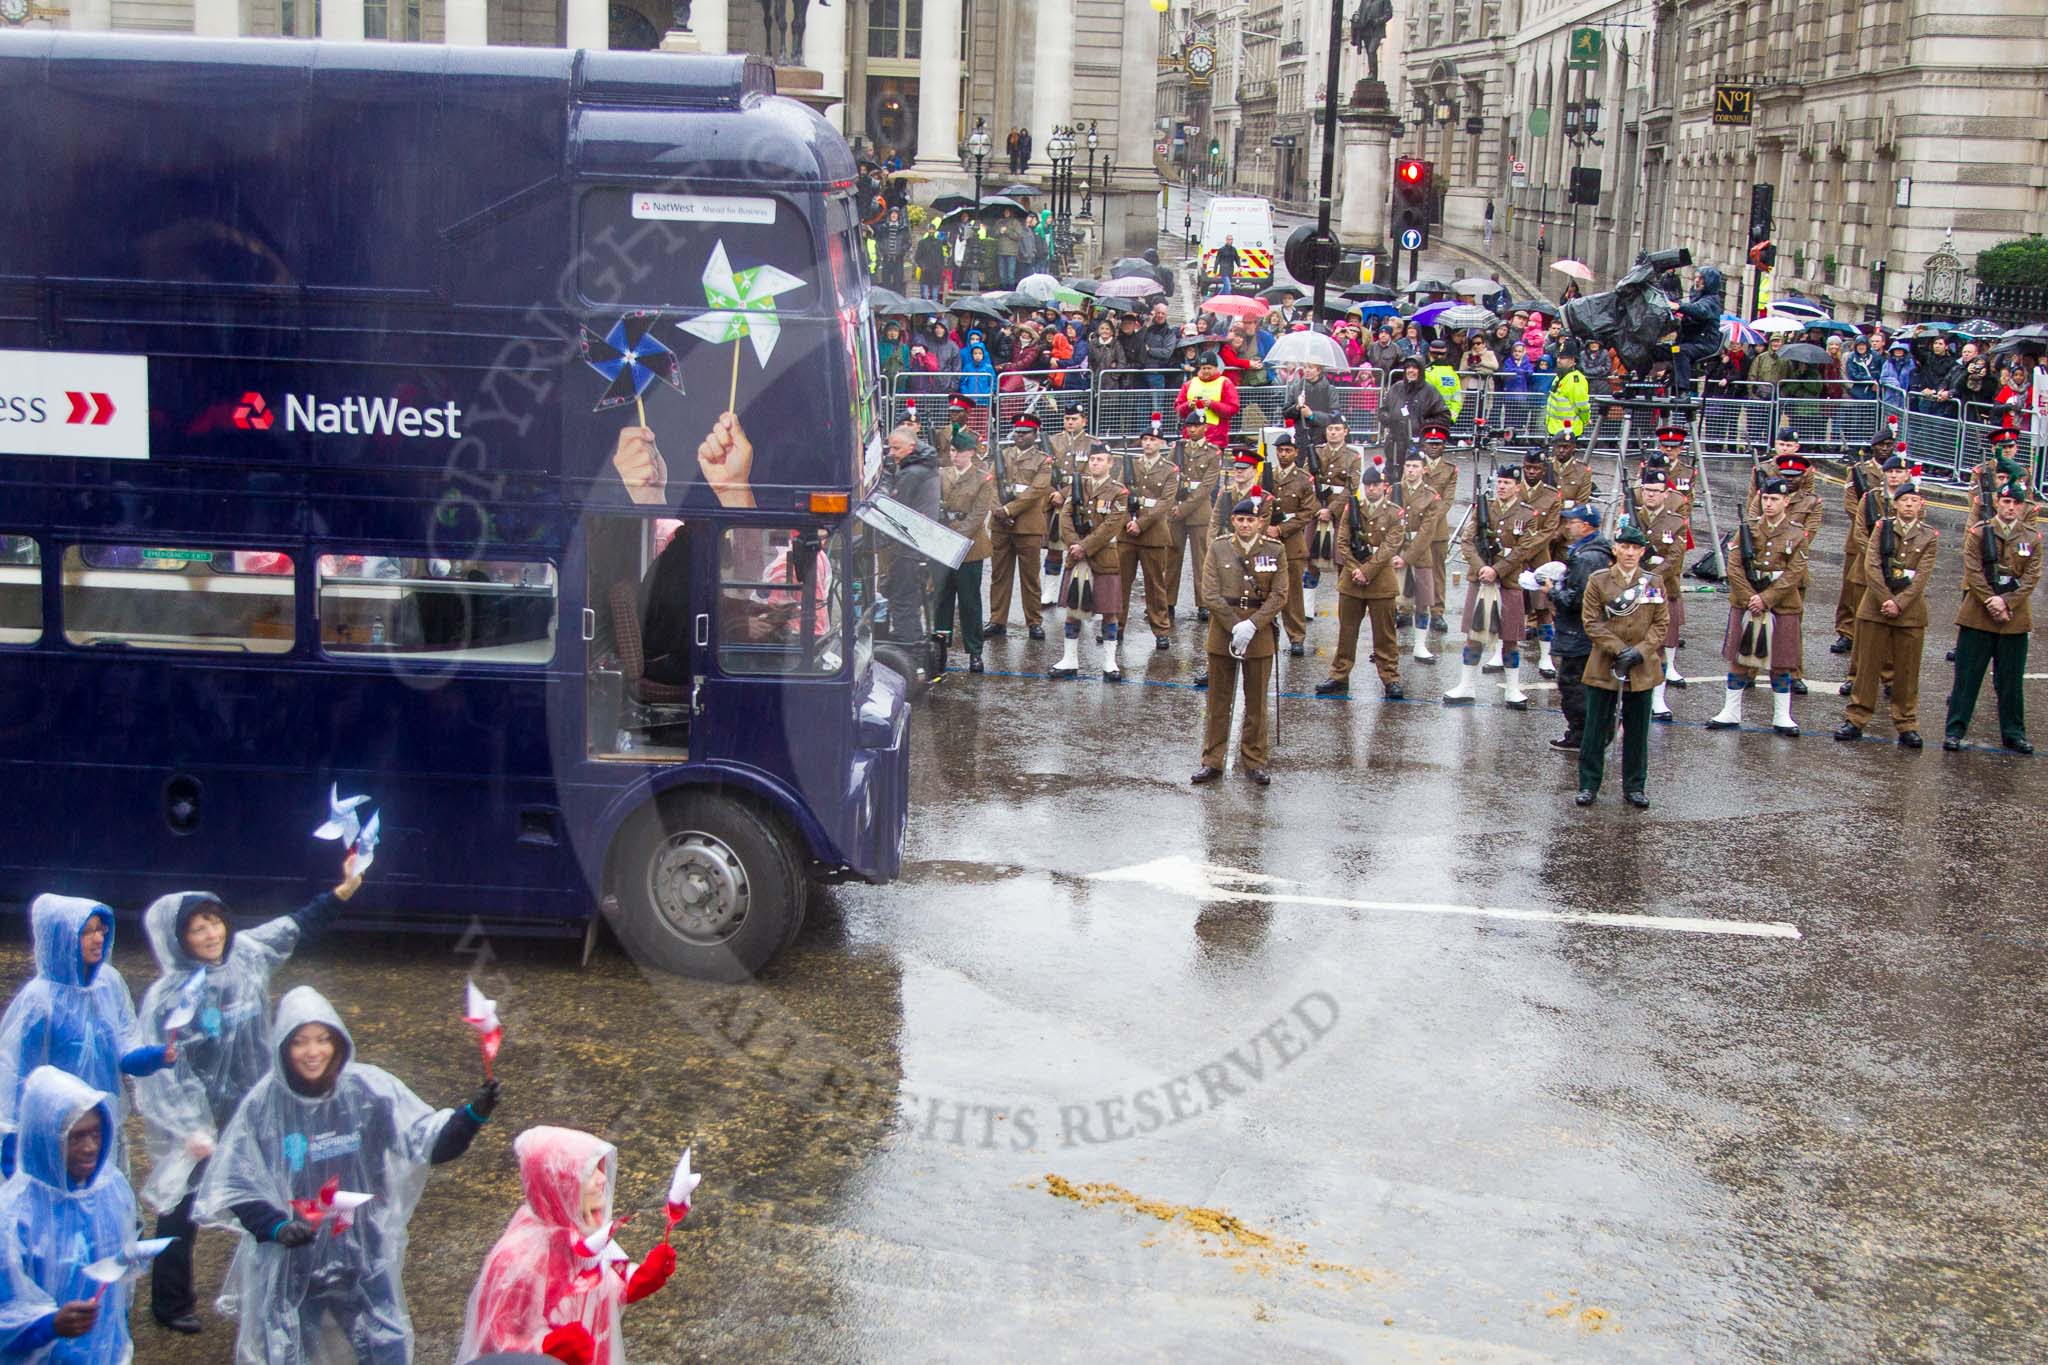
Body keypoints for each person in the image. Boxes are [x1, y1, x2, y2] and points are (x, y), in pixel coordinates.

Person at [197, 986, 496, 1365]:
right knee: (287, 1349)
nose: (313, 1052)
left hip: (361, 1249)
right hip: (293, 1256)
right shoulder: (263, 1105)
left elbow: (424, 1140)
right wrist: (275, 1227)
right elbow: (238, 1180)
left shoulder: (367, 1089)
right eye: (300, 1042)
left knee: (385, 1344)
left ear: (338, 1042)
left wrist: (471, 1116)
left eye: (323, 1039)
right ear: (283, 1047)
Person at [134, 856, 366, 1336]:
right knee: (182, 1208)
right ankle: (170, 1301)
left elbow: (297, 927)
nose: (210, 934)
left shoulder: (248, 954)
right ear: (178, 939)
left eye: (213, 921)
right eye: (196, 929)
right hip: (200, 1124)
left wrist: (344, 890)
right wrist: (191, 1128)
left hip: (255, 1105)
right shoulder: (166, 996)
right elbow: (162, 1074)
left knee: (276, 1197)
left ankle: (290, 1286)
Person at [456, 1127, 680, 1365]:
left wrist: (639, 1278)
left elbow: (598, 1285)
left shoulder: (582, 1236)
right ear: (559, 1184)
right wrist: (550, 1347)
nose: (603, 1179)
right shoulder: (518, 1262)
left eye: (600, 1168)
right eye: (589, 1171)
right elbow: (495, 1346)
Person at [0, 895, 171, 1176]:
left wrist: (158, 1056)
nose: (98, 939)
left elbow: (126, 1050)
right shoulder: (37, 1002)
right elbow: (15, 1078)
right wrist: (12, 1150)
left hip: (100, 1129)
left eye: (101, 930)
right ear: (61, 938)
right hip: (55, 1130)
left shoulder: (109, 984)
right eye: (87, 931)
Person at [0, 1067, 138, 1364]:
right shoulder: (12, 1219)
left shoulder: (111, 1189)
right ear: (44, 1139)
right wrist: (49, 1325)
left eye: (96, 1134)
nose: (90, 1148)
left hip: (105, 1351)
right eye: (75, 1138)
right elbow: (5, 1313)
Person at [1834, 480, 1938, 747]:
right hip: (1876, 607)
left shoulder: (1929, 536)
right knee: (1867, 667)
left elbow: (1922, 576)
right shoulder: (1882, 529)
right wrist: (1886, 599)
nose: (1909, 505)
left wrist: (1899, 603)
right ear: (1896, 503)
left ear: (1921, 504)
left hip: (1910, 612)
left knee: (1906, 671)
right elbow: (1872, 566)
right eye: (1904, 501)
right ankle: (1856, 718)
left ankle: (1906, 723)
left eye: (1914, 501)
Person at [1191, 496, 1288, 786]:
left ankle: (1255, 760)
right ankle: (1212, 760)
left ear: (1260, 522)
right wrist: (1235, 626)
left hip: (1258, 633)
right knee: (1218, 701)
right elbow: (1209, 592)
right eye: (1240, 519)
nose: (1245, 524)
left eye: (1251, 520)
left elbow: (1280, 594)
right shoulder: (1219, 547)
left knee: (1256, 702)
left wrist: (1252, 625)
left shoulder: (1275, 551)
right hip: (1223, 631)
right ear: (1233, 520)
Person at [1575, 523, 1669, 808]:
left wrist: (1639, 652)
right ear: (1614, 549)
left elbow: (1661, 623)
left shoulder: (1653, 583)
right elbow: (1591, 621)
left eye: (1635, 548)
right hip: (1606, 663)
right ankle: (1588, 784)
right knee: (1595, 728)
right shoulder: (1599, 580)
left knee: (1638, 730)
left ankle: (1634, 786)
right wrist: (1620, 650)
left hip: (1642, 667)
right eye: (1624, 547)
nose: (1629, 553)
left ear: (1642, 552)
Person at [1708, 477, 1809, 737]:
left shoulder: (1796, 533)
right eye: (1765, 498)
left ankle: (1782, 715)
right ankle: (1730, 711)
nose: (1769, 504)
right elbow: (1734, 565)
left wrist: (1767, 599)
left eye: (1775, 499)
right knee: (1738, 657)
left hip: (1782, 603)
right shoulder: (1748, 529)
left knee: (1782, 661)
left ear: (1786, 501)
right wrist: (1750, 596)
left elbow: (1795, 572)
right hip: (1746, 600)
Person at [1944, 480, 2040, 753]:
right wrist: (1991, 601)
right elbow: (1973, 571)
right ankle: (1955, 730)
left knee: (2011, 681)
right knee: (1967, 678)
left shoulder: (2031, 538)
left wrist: (2006, 601)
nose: (2010, 507)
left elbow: (2032, 577)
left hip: (2013, 618)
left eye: (2016, 503)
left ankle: (2013, 733)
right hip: (1978, 615)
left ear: (2022, 507)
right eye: (2006, 502)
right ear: (1997, 502)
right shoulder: (1978, 533)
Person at [1443, 463, 1547, 709]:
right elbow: (1467, 541)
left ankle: (1512, 689)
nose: (1501, 487)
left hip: (1509, 582)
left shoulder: (1526, 515)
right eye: (1499, 482)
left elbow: (1525, 550)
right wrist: (1482, 568)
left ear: (1517, 487)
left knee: (1510, 637)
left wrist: (1497, 570)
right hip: (1481, 580)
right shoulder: (1485, 509)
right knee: (1474, 634)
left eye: (1507, 483)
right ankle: (1466, 685)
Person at [1315, 459, 1406, 699]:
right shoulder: (1351, 509)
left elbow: (1390, 546)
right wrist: (1356, 569)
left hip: (1381, 581)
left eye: (1375, 485)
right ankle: (1339, 675)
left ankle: (1390, 678)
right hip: (1352, 580)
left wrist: (1367, 571)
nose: (1372, 489)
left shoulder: (1394, 512)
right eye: (1368, 485)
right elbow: (1342, 543)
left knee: (1385, 636)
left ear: (1384, 486)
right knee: (1346, 632)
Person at [1049, 445, 1128, 681]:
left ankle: (1109, 662)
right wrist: (1074, 544)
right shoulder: (1078, 486)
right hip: (1077, 556)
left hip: (1103, 558)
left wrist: (1084, 547)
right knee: (1073, 609)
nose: (1094, 463)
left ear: (1110, 463)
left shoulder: (1118, 492)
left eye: (1100, 459)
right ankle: (1069, 660)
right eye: (1092, 459)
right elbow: (1065, 518)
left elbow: (1111, 526)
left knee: (1109, 611)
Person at [1545, 504, 1612, 752]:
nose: (1567, 525)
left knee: (1573, 684)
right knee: (1580, 683)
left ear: (1585, 525)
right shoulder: (1593, 551)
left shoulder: (1587, 557)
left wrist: (1552, 590)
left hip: (1578, 632)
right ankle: (1590, 731)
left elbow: (1577, 599)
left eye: (1572, 521)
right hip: (1583, 631)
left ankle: (1584, 735)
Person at [982, 415, 1054, 641]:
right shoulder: (1002, 456)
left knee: (1030, 577)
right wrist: (997, 510)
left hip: (1027, 526)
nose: (1020, 435)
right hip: (1001, 525)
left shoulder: (1043, 461)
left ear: (1035, 435)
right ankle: (997, 619)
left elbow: (1037, 490)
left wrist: (1009, 510)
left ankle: (1034, 621)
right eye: (1017, 431)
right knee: (999, 574)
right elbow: (991, 485)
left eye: (1025, 432)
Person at [935, 428, 996, 675]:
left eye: (959, 451)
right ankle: (939, 648)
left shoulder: (983, 479)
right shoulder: (941, 475)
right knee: (942, 599)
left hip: (968, 546)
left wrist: (954, 537)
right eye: (951, 450)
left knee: (970, 601)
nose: (954, 455)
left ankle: (975, 652)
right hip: (942, 542)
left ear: (971, 452)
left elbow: (978, 515)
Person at [1116, 420, 1181, 650]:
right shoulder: (1130, 464)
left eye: (1152, 440)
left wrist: (1141, 524)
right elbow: (1119, 495)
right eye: (1145, 439)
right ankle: (1116, 626)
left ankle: (1161, 629)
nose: (1148, 444)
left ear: (1161, 443)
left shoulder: (1169, 470)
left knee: (1155, 585)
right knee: (1121, 583)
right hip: (1127, 533)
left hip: (1152, 534)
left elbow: (1165, 502)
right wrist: (1127, 522)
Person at [1633, 469, 1692, 720]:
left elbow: (1674, 560)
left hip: (1660, 589)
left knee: (1659, 647)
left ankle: (1658, 699)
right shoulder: (1631, 517)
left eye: (1656, 492)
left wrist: (1649, 577)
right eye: (1647, 491)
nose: (1650, 496)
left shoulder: (1675, 522)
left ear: (1666, 494)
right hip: (1632, 589)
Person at [1261, 428, 1319, 656]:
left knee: (1293, 593)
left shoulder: (1304, 480)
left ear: (1296, 452)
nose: (1284, 454)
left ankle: (1296, 636)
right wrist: (1266, 528)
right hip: (1267, 542)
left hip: (1292, 543)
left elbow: (1307, 513)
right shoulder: (1266, 475)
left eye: (1288, 450)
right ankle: (1266, 630)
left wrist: (1281, 529)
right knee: (1265, 588)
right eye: (1280, 450)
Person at [883, 425, 940, 646]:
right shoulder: (923, 466)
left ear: (912, 447)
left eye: (897, 448)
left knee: (903, 600)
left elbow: (895, 509)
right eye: (890, 448)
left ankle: (909, 647)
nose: (892, 453)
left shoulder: (912, 473)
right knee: (909, 599)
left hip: (908, 547)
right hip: (917, 545)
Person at [1164, 414, 1222, 620]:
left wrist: (1184, 508)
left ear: (1205, 427)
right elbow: (1167, 477)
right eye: (1189, 426)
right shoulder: (1178, 449)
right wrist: (1173, 506)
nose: (1192, 430)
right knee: (1172, 557)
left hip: (1198, 513)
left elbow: (1207, 487)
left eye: (1197, 426)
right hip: (1175, 511)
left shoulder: (1213, 453)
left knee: (1201, 560)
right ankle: (1168, 601)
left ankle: (1203, 603)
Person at [1393, 450, 1446, 662]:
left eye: (1415, 466)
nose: (1411, 471)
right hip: (1396, 548)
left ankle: (1420, 645)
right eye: (1408, 466)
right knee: (1391, 599)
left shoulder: (1431, 495)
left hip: (1420, 551)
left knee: (1423, 601)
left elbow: (1427, 531)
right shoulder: (1395, 490)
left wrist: (1408, 557)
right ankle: (1389, 645)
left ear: (1424, 469)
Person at [1381, 355, 1449, 466]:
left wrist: (1423, 425)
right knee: (1393, 479)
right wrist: (1388, 418)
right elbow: (1383, 410)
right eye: (1408, 368)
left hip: (1418, 444)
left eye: (1414, 368)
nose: (1410, 371)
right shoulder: (1396, 388)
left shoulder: (1430, 391)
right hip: (1395, 445)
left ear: (1421, 370)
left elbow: (1444, 416)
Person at [1174, 350, 1241, 452]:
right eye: (1203, 368)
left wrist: (1212, 404)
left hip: (1215, 439)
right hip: (1190, 438)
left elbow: (1233, 409)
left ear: (1216, 368)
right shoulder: (1189, 384)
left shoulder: (1225, 383)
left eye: (1209, 368)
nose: (1206, 371)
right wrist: (1188, 405)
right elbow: (1178, 409)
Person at [1284, 363, 1343, 448]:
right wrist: (1296, 408)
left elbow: (1335, 415)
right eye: (1304, 367)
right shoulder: (1296, 388)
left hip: (1322, 438)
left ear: (1319, 370)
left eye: (1311, 368)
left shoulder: (1329, 390)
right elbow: (1286, 413)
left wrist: (1312, 415)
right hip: (1301, 437)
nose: (1307, 370)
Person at [1545, 340, 1593, 437]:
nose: (1558, 360)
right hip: (1555, 428)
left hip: (1568, 430)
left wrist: (1586, 420)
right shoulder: (1560, 376)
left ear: (1572, 361)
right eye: (1558, 357)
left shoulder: (1576, 380)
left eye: (1562, 358)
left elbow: (1582, 406)